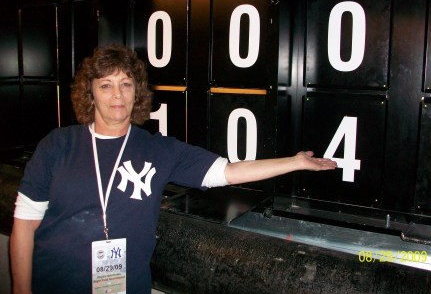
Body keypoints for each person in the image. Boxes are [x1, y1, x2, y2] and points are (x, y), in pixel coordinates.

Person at [10, 44, 337, 294]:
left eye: (125, 84)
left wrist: (294, 162)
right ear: (90, 92)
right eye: (106, 85)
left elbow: (229, 172)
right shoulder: (58, 145)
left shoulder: (158, 149)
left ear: (137, 92)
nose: (117, 95)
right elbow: (24, 227)